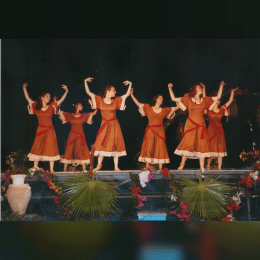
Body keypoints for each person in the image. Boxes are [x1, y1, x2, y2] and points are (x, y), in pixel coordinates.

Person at [168, 81, 225, 171]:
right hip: (191, 124)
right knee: (188, 143)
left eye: (201, 88)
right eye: (199, 88)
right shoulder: (188, 99)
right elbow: (174, 98)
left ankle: (202, 167)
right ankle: (182, 164)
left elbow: (218, 97)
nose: (201, 89)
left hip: (201, 125)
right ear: (194, 90)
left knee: (202, 145)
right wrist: (170, 88)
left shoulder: (205, 100)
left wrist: (221, 86)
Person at [84, 77, 132, 171]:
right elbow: (89, 93)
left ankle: (116, 166)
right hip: (104, 124)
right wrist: (85, 82)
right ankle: (98, 165)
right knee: (101, 143)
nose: (115, 92)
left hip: (114, 124)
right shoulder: (100, 100)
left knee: (115, 143)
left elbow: (126, 95)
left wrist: (130, 84)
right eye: (113, 90)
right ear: (108, 91)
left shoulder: (116, 100)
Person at [23, 82, 68, 172]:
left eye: (49, 97)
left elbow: (60, 101)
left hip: (50, 130)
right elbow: (28, 99)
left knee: (51, 147)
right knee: (37, 146)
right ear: (42, 97)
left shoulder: (51, 107)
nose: (49, 98)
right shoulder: (36, 106)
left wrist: (66, 91)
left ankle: (51, 169)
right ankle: (35, 167)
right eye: (47, 96)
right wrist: (24, 88)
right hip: (40, 130)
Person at [130, 89, 179, 170]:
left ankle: (160, 169)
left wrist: (184, 100)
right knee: (149, 147)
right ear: (155, 99)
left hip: (160, 131)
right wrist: (131, 94)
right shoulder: (148, 108)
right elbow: (138, 104)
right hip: (150, 130)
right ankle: (147, 167)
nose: (161, 100)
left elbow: (175, 108)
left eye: (162, 99)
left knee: (160, 147)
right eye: (160, 98)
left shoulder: (164, 110)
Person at [205, 87, 238, 170]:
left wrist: (232, 92)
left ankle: (219, 169)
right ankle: (207, 167)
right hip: (211, 131)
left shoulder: (221, 109)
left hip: (219, 131)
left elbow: (230, 101)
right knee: (211, 151)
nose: (217, 101)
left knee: (220, 150)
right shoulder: (208, 110)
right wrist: (204, 89)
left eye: (218, 100)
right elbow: (205, 100)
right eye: (216, 100)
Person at [59, 103, 98, 172]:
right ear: (76, 106)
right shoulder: (70, 115)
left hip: (80, 135)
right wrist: (57, 104)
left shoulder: (83, 115)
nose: (82, 106)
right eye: (81, 105)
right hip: (72, 135)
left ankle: (84, 169)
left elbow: (93, 113)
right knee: (69, 150)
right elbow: (59, 112)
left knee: (82, 150)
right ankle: (64, 169)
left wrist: (97, 105)